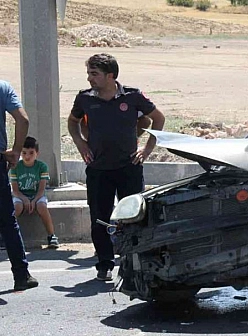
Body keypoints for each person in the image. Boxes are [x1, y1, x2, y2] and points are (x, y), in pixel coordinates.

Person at [67, 53, 165, 281]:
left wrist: (147, 150)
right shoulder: (85, 98)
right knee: (100, 218)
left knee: (133, 217)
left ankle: (133, 263)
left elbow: (157, 119)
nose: (90, 78)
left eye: (95, 74)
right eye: (89, 73)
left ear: (110, 76)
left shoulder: (132, 96)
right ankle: (105, 264)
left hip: (128, 167)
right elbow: (73, 122)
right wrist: (81, 143)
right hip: (98, 169)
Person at [0, 79, 38, 291]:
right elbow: (22, 120)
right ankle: (21, 275)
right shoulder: (3, 87)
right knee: (7, 221)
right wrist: (15, 151)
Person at [10, 136, 59, 249]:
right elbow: (15, 190)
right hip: (20, 196)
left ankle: (51, 235)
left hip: (37, 195)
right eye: (24, 152)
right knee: (16, 207)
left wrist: (34, 200)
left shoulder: (42, 167)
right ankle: (6, 236)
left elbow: (41, 189)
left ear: (37, 153)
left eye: (31, 153)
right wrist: (26, 200)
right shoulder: (15, 167)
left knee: (42, 206)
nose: (27, 156)